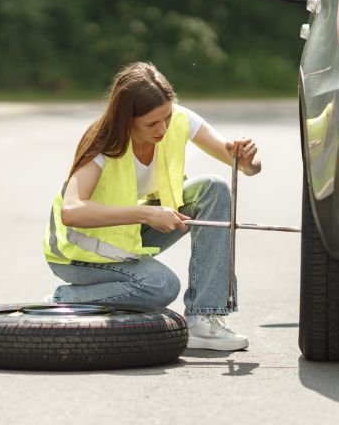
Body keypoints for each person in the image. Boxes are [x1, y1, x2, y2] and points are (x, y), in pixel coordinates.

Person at [43, 62, 261, 351]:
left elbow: (247, 167)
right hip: (78, 254)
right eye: (151, 124)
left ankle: (203, 319)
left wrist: (245, 160)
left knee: (213, 187)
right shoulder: (102, 142)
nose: (163, 129)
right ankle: (63, 298)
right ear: (126, 119)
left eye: (167, 117)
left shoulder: (179, 121)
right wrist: (147, 213)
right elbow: (71, 212)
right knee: (161, 286)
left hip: (126, 237)